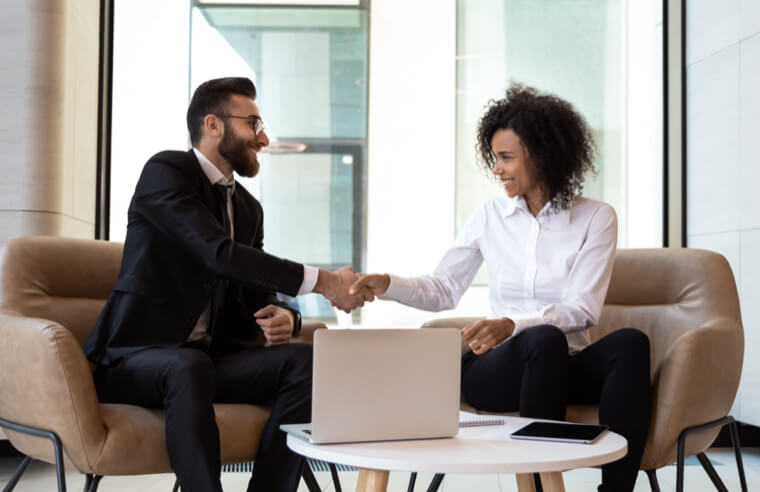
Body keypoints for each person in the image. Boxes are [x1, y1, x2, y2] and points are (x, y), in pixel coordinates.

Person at [350, 84, 651, 492]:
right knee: (542, 339)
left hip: (566, 361)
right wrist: (387, 284)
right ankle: (538, 487)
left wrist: (513, 322)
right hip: (497, 368)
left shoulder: (596, 217)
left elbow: (583, 309)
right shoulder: (489, 216)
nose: (496, 169)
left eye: (506, 158)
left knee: (630, 344)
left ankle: (617, 491)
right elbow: (443, 289)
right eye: (494, 158)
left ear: (543, 156)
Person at [83, 77, 371, 492]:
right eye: (253, 123)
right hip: (136, 360)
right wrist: (325, 282)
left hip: (207, 361)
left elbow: (257, 293)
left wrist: (285, 318)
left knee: (306, 362)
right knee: (187, 364)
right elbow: (217, 253)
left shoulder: (248, 210)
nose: (264, 137)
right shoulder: (166, 172)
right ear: (214, 124)